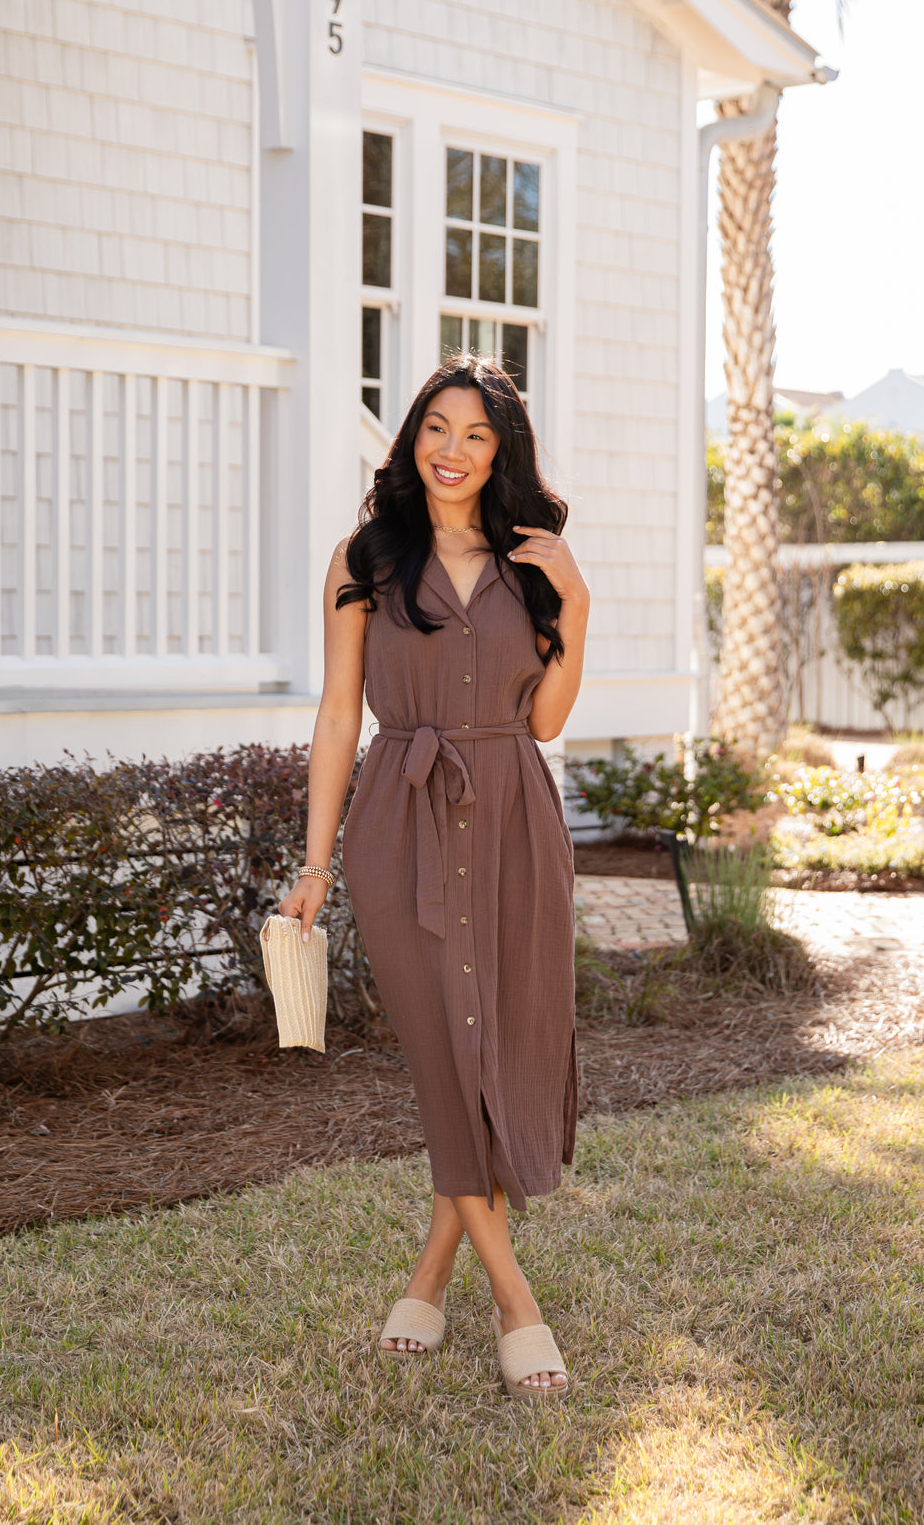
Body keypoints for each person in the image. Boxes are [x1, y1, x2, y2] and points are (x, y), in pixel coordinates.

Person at [280, 354, 589, 1401]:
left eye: (475, 436)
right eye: (434, 431)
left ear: (500, 453)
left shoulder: (536, 564)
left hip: (512, 820)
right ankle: (514, 1300)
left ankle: (427, 1273)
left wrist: (576, 606)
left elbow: (544, 720)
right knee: (444, 1054)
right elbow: (335, 716)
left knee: (497, 1046)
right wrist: (316, 861)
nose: (451, 453)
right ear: (408, 441)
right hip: (397, 823)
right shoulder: (361, 558)